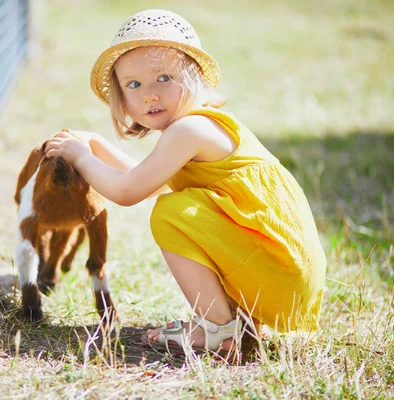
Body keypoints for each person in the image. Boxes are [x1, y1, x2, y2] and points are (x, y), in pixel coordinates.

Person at [45, 9, 326, 359]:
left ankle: (217, 329)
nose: (149, 94)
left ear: (194, 77)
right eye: (134, 84)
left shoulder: (189, 130)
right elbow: (150, 180)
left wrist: (83, 159)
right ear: (122, 95)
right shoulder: (195, 129)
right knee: (177, 206)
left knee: (171, 213)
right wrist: (97, 147)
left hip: (280, 274)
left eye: (163, 77)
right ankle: (237, 321)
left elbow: (130, 191)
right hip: (282, 275)